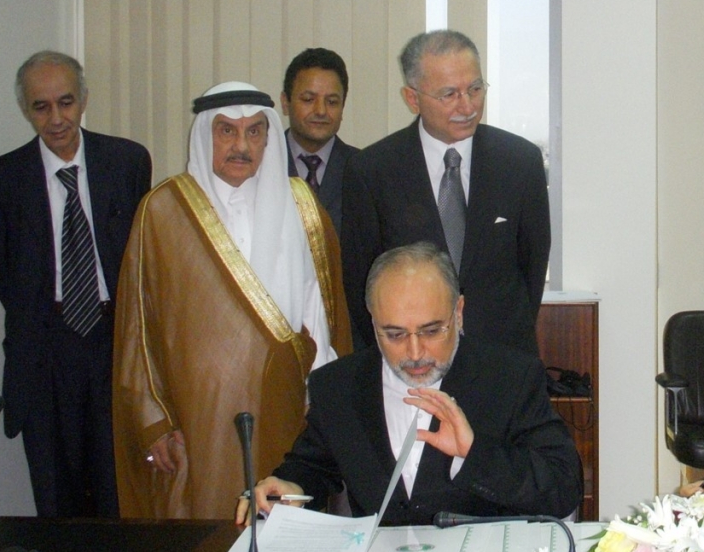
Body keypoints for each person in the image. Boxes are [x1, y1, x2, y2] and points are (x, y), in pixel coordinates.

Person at [112, 82, 353, 519]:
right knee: (208, 534)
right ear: (205, 135)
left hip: (288, 409)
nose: (242, 145)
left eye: (255, 132)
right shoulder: (163, 210)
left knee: (287, 532)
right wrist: (156, 421)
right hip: (197, 416)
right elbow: (137, 327)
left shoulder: (301, 206)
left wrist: (328, 407)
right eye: (227, 131)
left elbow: (322, 314)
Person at [242, 241, 581, 525]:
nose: (415, 352)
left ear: (458, 312)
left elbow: (563, 488)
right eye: (395, 334)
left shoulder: (509, 378)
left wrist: (473, 453)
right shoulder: (337, 386)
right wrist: (288, 487)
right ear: (373, 322)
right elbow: (312, 466)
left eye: (432, 331)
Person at [0, 51, 151, 518]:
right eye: (41, 107)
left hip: (113, 343)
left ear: (84, 99)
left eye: (66, 103)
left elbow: (142, 259)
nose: (56, 119)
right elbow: (4, 276)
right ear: (26, 109)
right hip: (44, 351)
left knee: (117, 491)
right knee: (55, 499)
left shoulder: (127, 162)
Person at [340, 30, 550, 355]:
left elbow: (532, 267)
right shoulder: (372, 171)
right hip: (411, 360)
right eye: (449, 94)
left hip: (501, 358)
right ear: (413, 98)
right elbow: (359, 283)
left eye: (475, 89)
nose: (467, 106)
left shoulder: (520, 162)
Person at [282, 47, 358, 235]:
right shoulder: (259, 163)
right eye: (308, 99)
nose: (321, 111)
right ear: (286, 102)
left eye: (332, 102)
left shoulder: (363, 169)